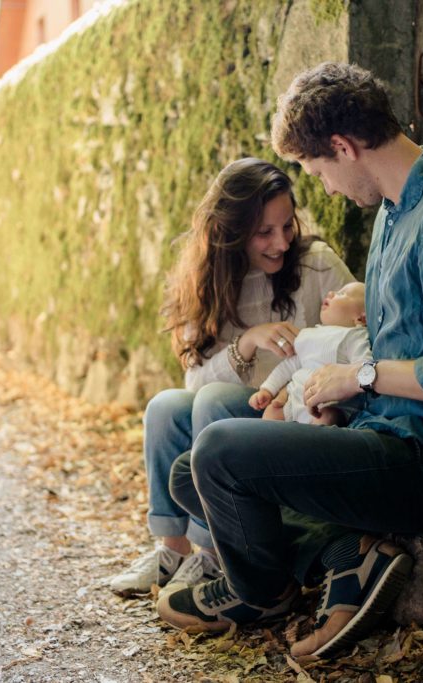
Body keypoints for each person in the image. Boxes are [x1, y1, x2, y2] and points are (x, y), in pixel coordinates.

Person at [157, 62, 423, 659]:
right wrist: (339, 402)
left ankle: (262, 593)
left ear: (343, 147)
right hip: (381, 434)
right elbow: (392, 346)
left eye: (318, 170)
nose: (325, 188)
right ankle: (341, 556)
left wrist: (357, 377)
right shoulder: (395, 213)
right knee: (187, 474)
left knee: (219, 450)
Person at [108, 157, 355, 597]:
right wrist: (246, 344)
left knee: (214, 401)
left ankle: (212, 553)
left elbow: (359, 330)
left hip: (292, 418)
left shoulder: (317, 265)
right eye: (264, 232)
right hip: (232, 412)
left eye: (287, 226)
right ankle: (172, 550)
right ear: (231, 232)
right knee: (165, 406)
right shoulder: (206, 281)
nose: (281, 242)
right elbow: (193, 382)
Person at [249, 281, 371, 426]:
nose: (331, 293)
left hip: (326, 405)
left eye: (341, 293)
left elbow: (364, 367)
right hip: (293, 400)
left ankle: (310, 437)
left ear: (361, 318)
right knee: (272, 412)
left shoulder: (355, 336)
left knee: (329, 416)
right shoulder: (309, 335)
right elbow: (288, 366)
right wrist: (267, 389)